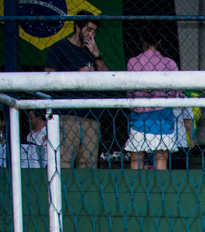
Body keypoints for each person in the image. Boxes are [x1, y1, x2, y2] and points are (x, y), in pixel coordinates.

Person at [44, 11, 108, 169]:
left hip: (91, 116)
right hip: (67, 115)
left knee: (88, 168)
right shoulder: (60, 47)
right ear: (77, 27)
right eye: (89, 30)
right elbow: (48, 77)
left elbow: (108, 79)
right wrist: (76, 75)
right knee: (63, 164)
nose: (91, 34)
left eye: (94, 31)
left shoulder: (92, 51)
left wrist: (97, 55)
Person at [125, 29, 194, 171]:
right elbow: (178, 91)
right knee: (161, 158)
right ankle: (160, 191)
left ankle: (136, 190)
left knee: (137, 158)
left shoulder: (133, 62)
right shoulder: (169, 63)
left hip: (140, 116)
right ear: (160, 41)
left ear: (140, 39)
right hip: (163, 116)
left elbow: (130, 91)